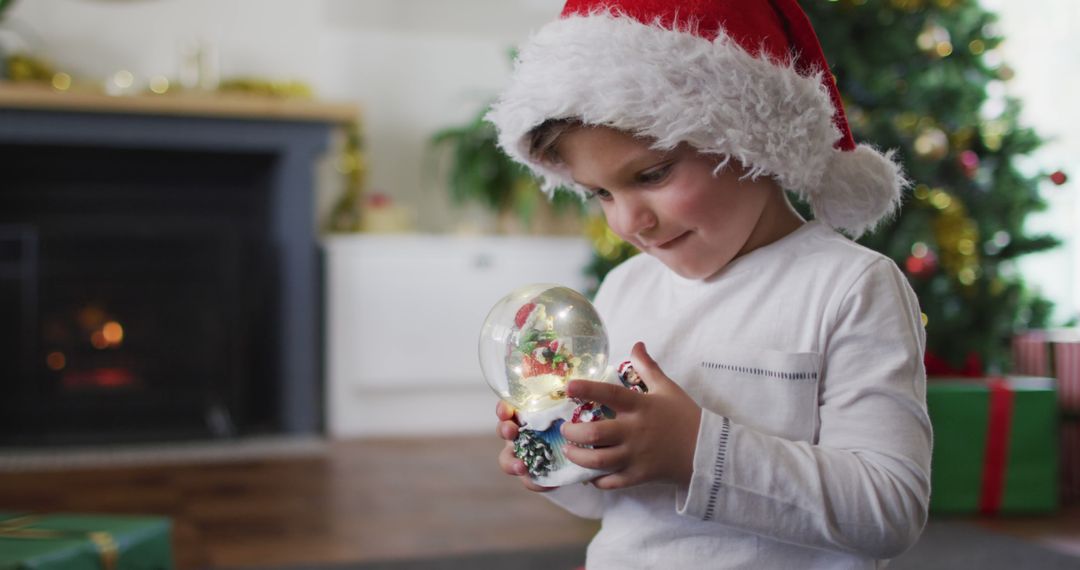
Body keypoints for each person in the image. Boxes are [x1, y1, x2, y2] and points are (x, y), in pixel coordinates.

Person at [487, 1, 933, 568]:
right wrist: (559, 455)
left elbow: (888, 510)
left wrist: (695, 450)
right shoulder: (625, 288)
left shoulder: (850, 286)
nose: (626, 223)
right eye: (600, 193)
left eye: (651, 175)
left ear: (751, 135)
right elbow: (609, 505)